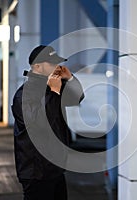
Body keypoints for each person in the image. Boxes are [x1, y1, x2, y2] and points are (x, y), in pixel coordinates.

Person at [11, 45, 84, 200]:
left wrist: (70, 78)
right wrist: (55, 92)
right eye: (51, 64)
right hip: (36, 172)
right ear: (36, 66)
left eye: (56, 63)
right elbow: (40, 124)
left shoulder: (52, 87)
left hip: (55, 167)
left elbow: (77, 98)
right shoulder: (24, 95)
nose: (56, 67)